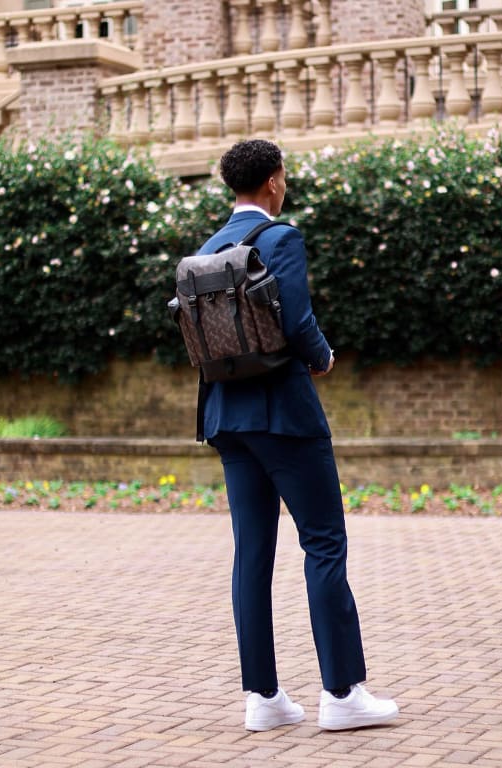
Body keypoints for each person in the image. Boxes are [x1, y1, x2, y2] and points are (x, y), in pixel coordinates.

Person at [198, 139, 399, 732]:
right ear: (274, 183)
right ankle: (341, 693)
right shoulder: (279, 237)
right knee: (324, 544)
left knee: (252, 555)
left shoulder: (207, 247)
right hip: (284, 415)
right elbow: (295, 317)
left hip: (225, 417)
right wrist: (323, 356)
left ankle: (263, 698)